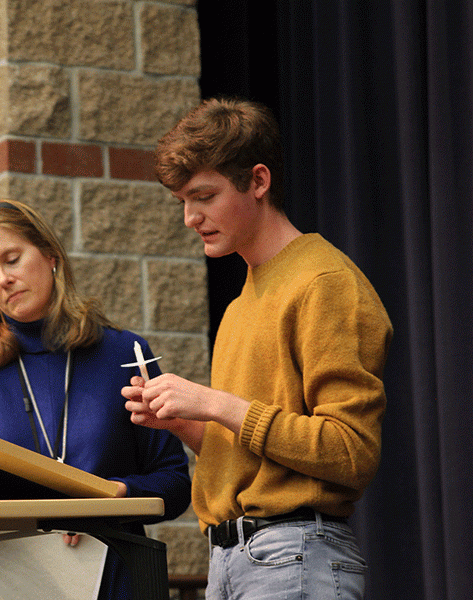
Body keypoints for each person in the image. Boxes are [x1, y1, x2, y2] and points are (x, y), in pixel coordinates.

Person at [122, 97, 393, 600]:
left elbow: (350, 451)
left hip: (295, 557)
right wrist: (189, 425)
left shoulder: (323, 281)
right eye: (182, 200)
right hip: (233, 560)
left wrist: (216, 404)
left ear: (259, 181)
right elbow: (260, 451)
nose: (190, 217)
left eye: (204, 195)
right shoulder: (240, 304)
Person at [0, 199, 192, 600]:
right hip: (3, 577)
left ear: (50, 255)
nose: (3, 279)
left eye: (12, 260)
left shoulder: (123, 352)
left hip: (112, 576)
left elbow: (176, 484)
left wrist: (109, 496)